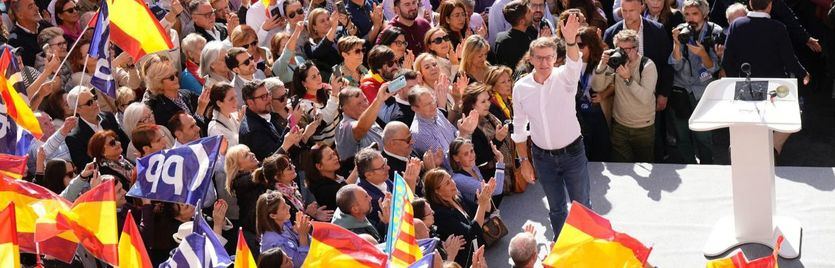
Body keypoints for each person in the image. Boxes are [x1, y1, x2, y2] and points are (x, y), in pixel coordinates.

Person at [511, 16, 590, 239]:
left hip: (573, 153)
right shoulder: (521, 87)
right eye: (539, 58)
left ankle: (586, 249)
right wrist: (524, 161)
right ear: (531, 59)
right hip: (542, 158)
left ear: (556, 58)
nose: (544, 63)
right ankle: (561, 251)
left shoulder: (566, 77)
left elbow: (575, 63)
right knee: (556, 209)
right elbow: (518, 126)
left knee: (582, 206)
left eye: (549, 58)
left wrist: (571, 40)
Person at [721, 0, 808, 156]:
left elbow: (727, 61)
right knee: (789, 115)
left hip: (745, 85)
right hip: (773, 86)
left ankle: (743, 149)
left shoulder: (736, 26)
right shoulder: (778, 28)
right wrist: (803, 74)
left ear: (750, 4)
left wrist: (738, 80)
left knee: (749, 119)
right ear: (770, 6)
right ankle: (772, 148)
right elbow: (789, 59)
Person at [604, 0, 673, 163]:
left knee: (650, 144)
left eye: (632, 10)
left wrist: (663, 93)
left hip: (650, 97)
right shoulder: (611, 33)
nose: (628, 15)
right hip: (621, 102)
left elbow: (666, 64)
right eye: (624, 11)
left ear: (641, 8)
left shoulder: (657, 30)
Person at [592, 29, 658, 162]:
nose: (623, 53)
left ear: (636, 49)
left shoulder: (647, 66)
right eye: (620, 49)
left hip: (643, 127)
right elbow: (597, 87)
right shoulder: (615, 63)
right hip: (619, 126)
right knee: (621, 167)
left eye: (627, 49)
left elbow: (645, 98)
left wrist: (628, 79)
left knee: (645, 164)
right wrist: (602, 65)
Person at [668, 0, 720, 164]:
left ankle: (707, 166)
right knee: (682, 133)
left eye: (695, 14)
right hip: (680, 87)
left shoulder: (714, 31)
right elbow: (675, 65)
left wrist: (703, 54)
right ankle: (689, 163)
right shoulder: (681, 31)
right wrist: (677, 44)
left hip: (703, 90)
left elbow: (714, 68)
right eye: (687, 14)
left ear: (704, 14)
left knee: (703, 134)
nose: (690, 18)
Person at [423, 168, 493, 267]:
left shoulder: (456, 198)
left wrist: (486, 196)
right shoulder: (440, 214)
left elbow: (484, 213)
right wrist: (482, 204)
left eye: (450, 179)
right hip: (464, 262)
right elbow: (471, 233)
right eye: (447, 183)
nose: (452, 183)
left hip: (478, 254)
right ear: (437, 191)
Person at [65, 86, 130, 169]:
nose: (95, 103)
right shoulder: (74, 138)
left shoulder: (108, 117)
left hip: (125, 165)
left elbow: (125, 143)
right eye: (89, 102)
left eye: (94, 98)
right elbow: (86, 167)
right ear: (77, 110)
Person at [239, 80, 301, 160]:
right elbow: (271, 161)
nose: (269, 99)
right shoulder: (253, 130)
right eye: (263, 97)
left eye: (268, 94)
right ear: (250, 102)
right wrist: (290, 124)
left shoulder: (266, 114)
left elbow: (282, 143)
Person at [142, 54, 209, 127]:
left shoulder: (185, 93)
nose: (176, 78)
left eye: (176, 74)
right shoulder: (161, 110)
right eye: (171, 77)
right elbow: (187, 134)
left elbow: (208, 110)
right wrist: (200, 111)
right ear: (158, 82)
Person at [255, 190, 311, 267]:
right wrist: (302, 235)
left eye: (286, 204)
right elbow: (300, 264)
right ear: (273, 216)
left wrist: (299, 230)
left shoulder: (284, 226)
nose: (289, 207)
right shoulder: (274, 241)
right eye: (284, 207)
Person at [335, 87, 388, 162]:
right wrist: (379, 100)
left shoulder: (365, 116)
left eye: (365, 100)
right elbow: (360, 129)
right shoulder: (344, 127)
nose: (365, 105)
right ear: (345, 109)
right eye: (359, 104)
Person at [448, 137, 504, 205]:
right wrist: (500, 162)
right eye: (466, 154)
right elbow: (496, 190)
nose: (471, 156)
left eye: (472, 151)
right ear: (456, 158)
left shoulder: (474, 168)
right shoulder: (459, 179)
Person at [304, 144, 356, 210]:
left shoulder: (338, 169)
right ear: (319, 166)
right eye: (330, 158)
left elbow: (352, 160)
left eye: (334, 154)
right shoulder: (321, 189)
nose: (335, 158)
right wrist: (357, 169)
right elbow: (343, 191)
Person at [304, 8, 346, 80]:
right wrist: (333, 28)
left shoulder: (338, 37)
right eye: (322, 21)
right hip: (332, 81)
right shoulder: (309, 44)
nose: (327, 22)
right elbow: (317, 53)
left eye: (328, 19)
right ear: (314, 27)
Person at [493, 0, 534, 69]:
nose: (532, 12)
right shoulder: (526, 42)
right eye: (529, 11)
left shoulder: (500, 38)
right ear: (522, 21)